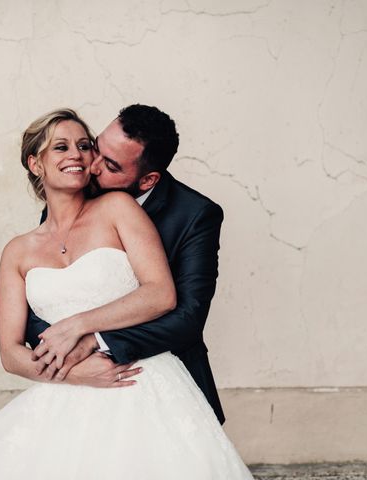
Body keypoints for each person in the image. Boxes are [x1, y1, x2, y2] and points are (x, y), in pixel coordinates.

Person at [0, 108, 253, 479]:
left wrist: (83, 332)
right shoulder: (21, 248)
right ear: (36, 164)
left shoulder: (136, 209)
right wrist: (73, 372)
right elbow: (16, 344)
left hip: (143, 378)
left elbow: (175, 306)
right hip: (69, 386)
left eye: (85, 147)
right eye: (70, 147)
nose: (87, 160)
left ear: (147, 180)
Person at [26, 104, 226, 424]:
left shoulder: (195, 216)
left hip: (165, 384)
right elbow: (49, 289)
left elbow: (187, 318)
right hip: (77, 382)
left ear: (147, 180)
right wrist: (64, 355)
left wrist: (94, 340)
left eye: (111, 165)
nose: (90, 167)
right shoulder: (79, 191)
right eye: (96, 148)